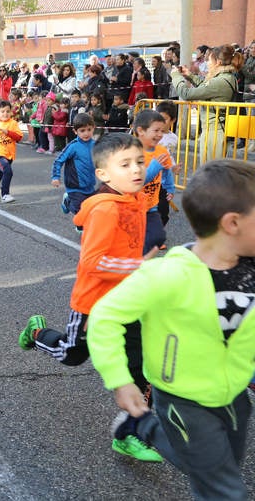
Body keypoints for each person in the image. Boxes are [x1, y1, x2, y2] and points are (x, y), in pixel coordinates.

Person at [88, 159, 255, 499]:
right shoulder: (167, 275)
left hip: (235, 394)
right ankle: (146, 424)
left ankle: (145, 429)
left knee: (218, 471)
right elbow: (104, 317)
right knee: (226, 490)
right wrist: (120, 380)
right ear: (233, 223)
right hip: (182, 398)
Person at [19, 133, 162, 463]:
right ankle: (37, 333)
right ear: (104, 174)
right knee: (72, 355)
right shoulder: (106, 211)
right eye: (125, 164)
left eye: (140, 162)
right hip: (93, 303)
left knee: (141, 368)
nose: (137, 169)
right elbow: (93, 261)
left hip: (130, 303)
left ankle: (129, 434)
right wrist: (138, 265)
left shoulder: (135, 200)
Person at [170, 44, 242, 162]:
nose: (207, 63)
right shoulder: (225, 77)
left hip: (214, 133)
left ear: (218, 62)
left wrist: (176, 77)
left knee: (212, 173)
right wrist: (189, 75)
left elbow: (187, 94)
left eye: (209, 59)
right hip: (214, 130)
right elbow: (205, 87)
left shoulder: (220, 81)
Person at [133, 110, 175, 252]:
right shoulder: (132, 152)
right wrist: (154, 167)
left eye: (162, 131)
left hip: (152, 204)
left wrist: (170, 188)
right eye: (156, 130)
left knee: (157, 237)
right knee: (132, 242)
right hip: (133, 206)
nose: (160, 135)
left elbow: (167, 170)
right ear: (141, 131)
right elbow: (137, 181)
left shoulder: (161, 150)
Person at [51, 113, 96, 215]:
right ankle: (68, 202)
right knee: (79, 211)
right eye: (82, 131)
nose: (86, 133)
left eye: (89, 129)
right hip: (75, 186)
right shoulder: (73, 146)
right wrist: (55, 177)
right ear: (75, 131)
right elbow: (58, 161)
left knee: (91, 209)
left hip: (89, 185)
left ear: (94, 128)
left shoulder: (95, 145)